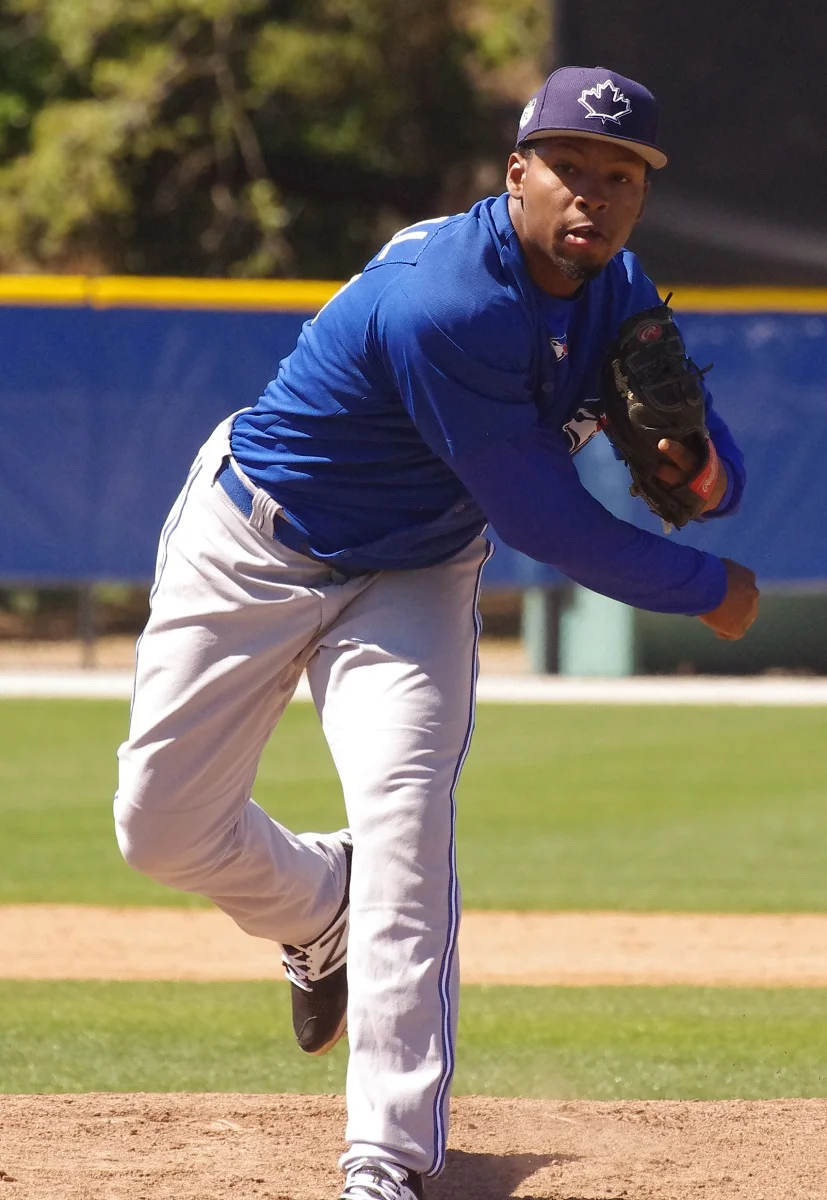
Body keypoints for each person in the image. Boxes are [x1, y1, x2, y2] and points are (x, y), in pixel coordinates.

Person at [115, 64, 759, 1200]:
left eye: (620, 177)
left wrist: (702, 469)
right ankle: (321, 907)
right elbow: (548, 525)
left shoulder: (617, 294)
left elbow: (712, 465)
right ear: (515, 173)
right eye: (568, 166)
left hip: (410, 573)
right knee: (159, 830)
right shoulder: (445, 298)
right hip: (256, 538)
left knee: (407, 828)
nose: (593, 196)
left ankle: (387, 1154)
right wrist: (708, 585)